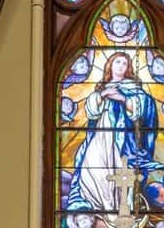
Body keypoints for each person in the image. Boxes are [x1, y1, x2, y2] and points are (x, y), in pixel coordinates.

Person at [65, 53, 159, 214]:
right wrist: (103, 95)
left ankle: (120, 210)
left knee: (121, 173)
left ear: (128, 68)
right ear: (110, 65)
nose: (121, 66)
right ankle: (98, 209)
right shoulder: (102, 87)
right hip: (102, 135)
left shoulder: (133, 88)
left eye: (125, 63)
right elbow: (91, 111)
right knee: (92, 167)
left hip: (124, 139)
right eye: (117, 62)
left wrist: (123, 99)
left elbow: (144, 108)